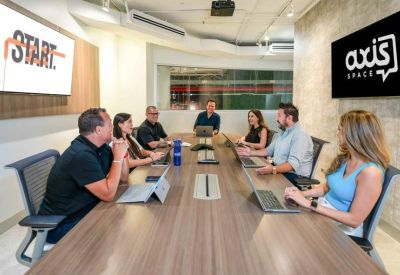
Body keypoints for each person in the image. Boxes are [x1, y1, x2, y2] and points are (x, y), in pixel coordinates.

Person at [284, 110, 390, 237]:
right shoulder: (347, 158)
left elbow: (354, 220)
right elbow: (327, 187)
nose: (337, 133)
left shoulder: (371, 173)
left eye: (340, 130)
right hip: (324, 215)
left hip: (342, 231)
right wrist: (301, 194)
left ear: (354, 135)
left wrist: (308, 203)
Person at [39, 108, 129, 243]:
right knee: (121, 234)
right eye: (110, 123)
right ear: (98, 130)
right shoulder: (81, 155)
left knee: (123, 224)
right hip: (61, 225)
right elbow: (108, 194)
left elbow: (123, 178)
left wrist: (123, 154)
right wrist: (117, 157)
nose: (113, 127)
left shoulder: (101, 147)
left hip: (87, 210)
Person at [237, 102, 313, 179]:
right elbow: (268, 151)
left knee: (256, 178)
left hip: (294, 176)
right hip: (278, 169)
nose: (276, 119)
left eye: (279, 116)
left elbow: (291, 165)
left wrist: (273, 169)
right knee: (250, 173)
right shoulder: (283, 132)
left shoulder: (300, 135)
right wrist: (250, 152)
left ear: (289, 118)